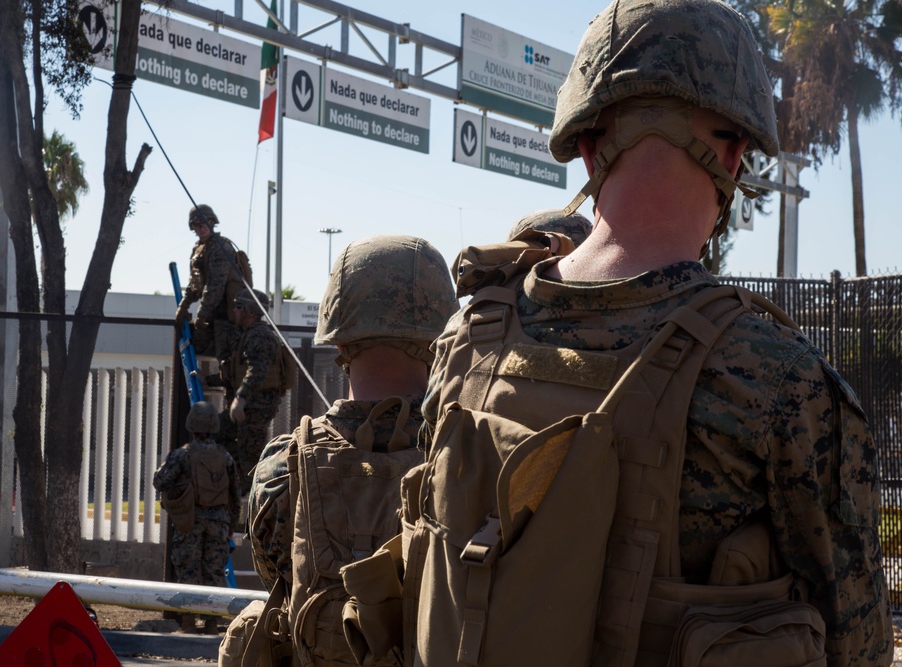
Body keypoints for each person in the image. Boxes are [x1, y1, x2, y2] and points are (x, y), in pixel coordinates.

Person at [419, 0, 892, 665]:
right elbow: (858, 641)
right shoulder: (778, 378)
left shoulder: (467, 336)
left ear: (588, 148)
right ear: (733, 157)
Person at [217, 234, 457, 667]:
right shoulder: (470, 460)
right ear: (440, 339)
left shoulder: (280, 467)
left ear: (339, 343)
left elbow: (279, 578)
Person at [153, 400, 240, 635]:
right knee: (214, 572)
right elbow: (235, 494)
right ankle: (212, 624)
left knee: (188, 571)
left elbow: (160, 481)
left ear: (191, 426)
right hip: (219, 524)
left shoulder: (182, 455)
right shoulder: (226, 457)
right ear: (214, 427)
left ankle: (188, 623)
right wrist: (230, 525)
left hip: (189, 522)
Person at [174, 204, 254, 360]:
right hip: (213, 314)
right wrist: (183, 305)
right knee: (197, 347)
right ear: (193, 228)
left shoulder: (221, 247)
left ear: (213, 223)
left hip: (227, 314)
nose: (202, 227)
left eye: (206, 222)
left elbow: (215, 286)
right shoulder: (199, 249)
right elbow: (194, 283)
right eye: (197, 224)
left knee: (227, 360)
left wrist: (201, 314)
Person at [223, 288, 283, 491]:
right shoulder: (249, 335)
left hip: (256, 408)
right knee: (232, 446)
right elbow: (240, 371)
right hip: (253, 407)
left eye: (238, 306)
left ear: (250, 311)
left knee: (250, 462)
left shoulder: (258, 336)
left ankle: (253, 509)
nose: (234, 310)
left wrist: (240, 397)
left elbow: (258, 369)